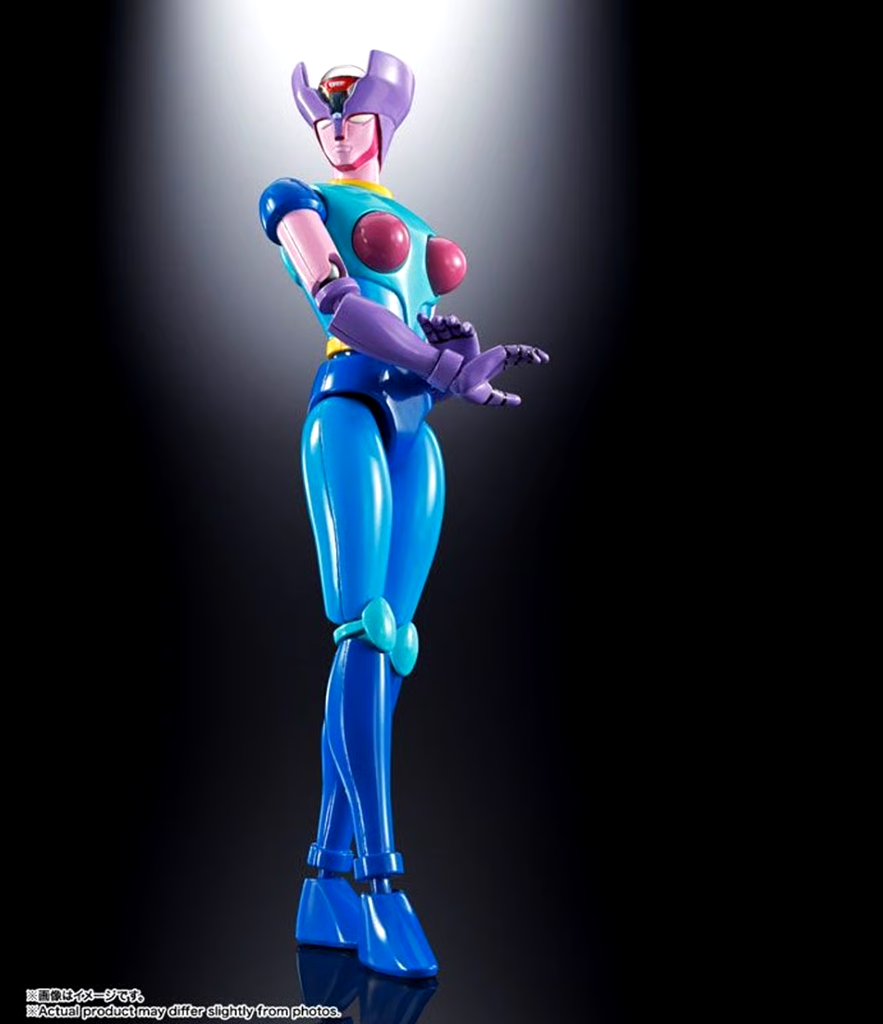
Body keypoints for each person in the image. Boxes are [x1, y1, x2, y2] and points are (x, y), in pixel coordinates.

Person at [259, 50, 547, 979]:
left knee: (390, 646)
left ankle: (324, 878)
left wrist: (454, 356)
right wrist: (435, 364)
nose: (338, 130)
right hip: (348, 409)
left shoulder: (415, 223)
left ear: (386, 122)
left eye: (355, 115)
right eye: (326, 118)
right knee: (362, 627)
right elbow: (339, 302)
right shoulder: (296, 198)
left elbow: (416, 322)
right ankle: (381, 885)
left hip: (415, 433)